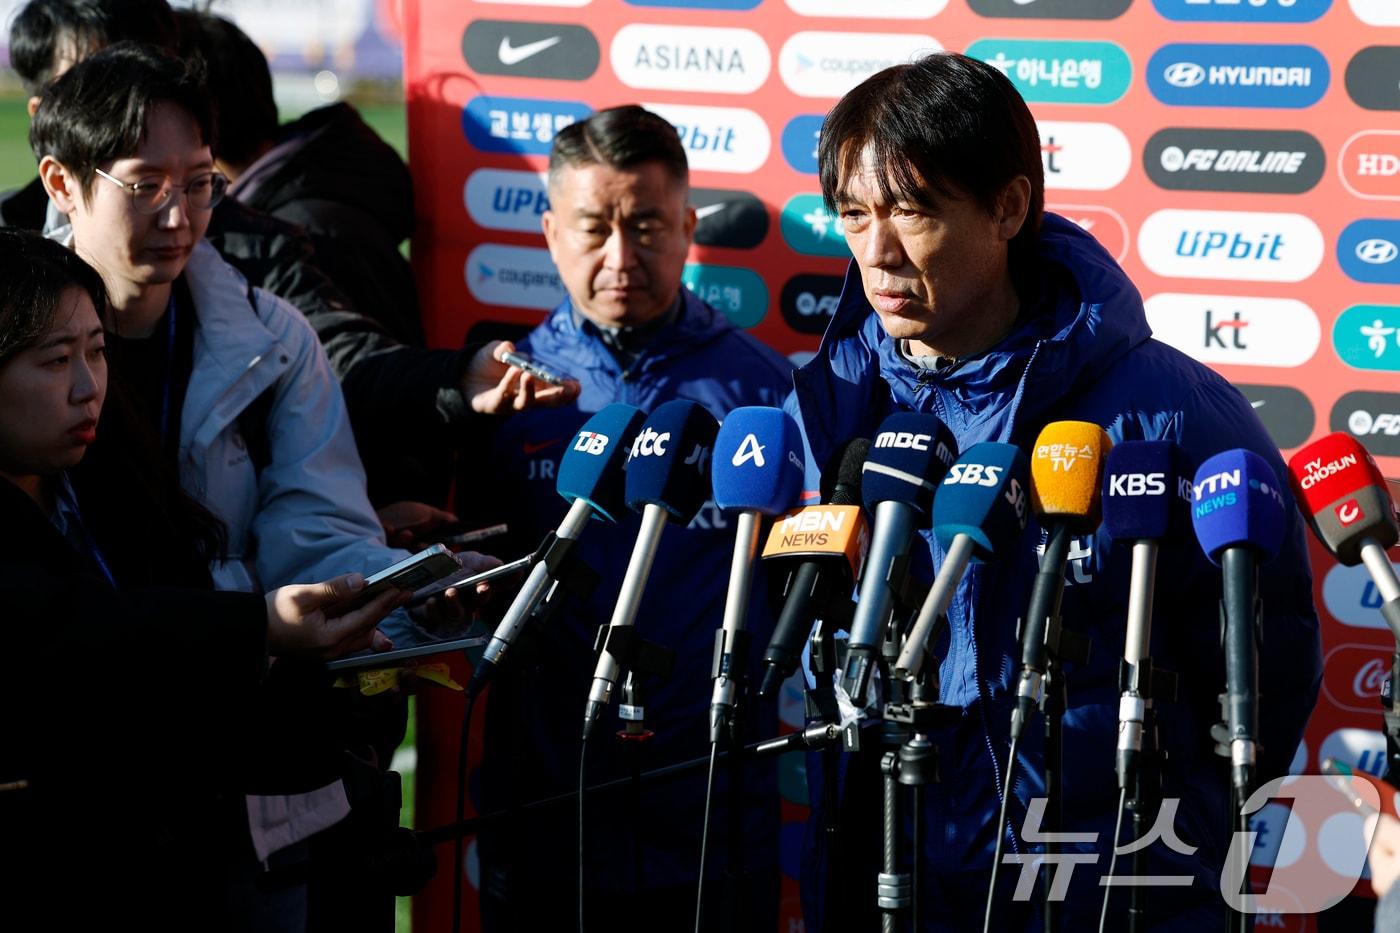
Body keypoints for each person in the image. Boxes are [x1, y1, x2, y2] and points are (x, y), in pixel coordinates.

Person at [788, 52, 1322, 931]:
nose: (876, 252)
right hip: (888, 866)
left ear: (1008, 207)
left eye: (912, 211)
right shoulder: (832, 402)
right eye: (854, 213)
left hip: (1099, 889)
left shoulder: (1174, 412)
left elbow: (1264, 669)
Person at [4, 0, 577, 510]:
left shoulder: (266, 292)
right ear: (59, 171)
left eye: (196, 182)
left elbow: (341, 372)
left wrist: (369, 572)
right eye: (143, 185)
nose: (176, 217)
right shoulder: (13, 283)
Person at [0, 227, 407, 930]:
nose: (87, 386)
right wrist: (264, 626)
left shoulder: (105, 480)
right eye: (55, 359)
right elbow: (67, 638)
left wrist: (341, 658)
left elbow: (173, 681)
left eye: (97, 351)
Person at [461, 105, 794, 932]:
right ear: (548, 232)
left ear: (687, 226)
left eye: (646, 226)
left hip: (711, 825)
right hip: (543, 816)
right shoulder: (502, 392)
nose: (620, 257)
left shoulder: (763, 393)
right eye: (593, 228)